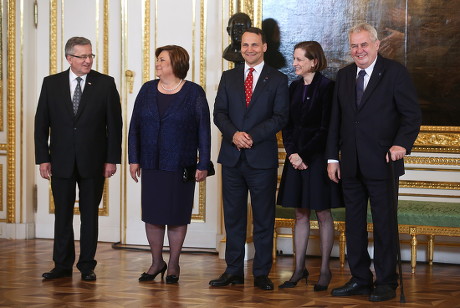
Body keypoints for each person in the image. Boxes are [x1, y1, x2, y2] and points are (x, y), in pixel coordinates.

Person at [326, 23, 421, 302]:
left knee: (384, 224)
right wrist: (333, 158)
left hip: (383, 162)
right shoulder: (343, 76)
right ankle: (360, 279)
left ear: (377, 45)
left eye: (364, 44)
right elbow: (336, 121)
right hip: (351, 164)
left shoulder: (395, 73)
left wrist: (402, 143)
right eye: (354, 45)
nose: (359, 50)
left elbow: (411, 115)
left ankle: (386, 281)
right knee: (354, 223)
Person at [34, 37, 122, 281]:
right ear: (69, 58)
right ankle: (61, 265)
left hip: (93, 161)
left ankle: (86, 266)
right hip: (60, 161)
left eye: (90, 56)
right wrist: (43, 158)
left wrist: (111, 159)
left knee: (89, 215)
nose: (88, 61)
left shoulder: (105, 84)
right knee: (62, 214)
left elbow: (114, 126)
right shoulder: (51, 84)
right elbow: (41, 124)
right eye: (82, 56)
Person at [210, 27, 289, 291]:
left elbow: (280, 117)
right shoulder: (228, 76)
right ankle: (233, 270)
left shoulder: (278, 79)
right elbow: (219, 112)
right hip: (232, 157)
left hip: (261, 159)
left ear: (264, 47)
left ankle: (261, 273)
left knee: (263, 219)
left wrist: (251, 136)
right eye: (245, 45)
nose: (249, 50)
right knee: (232, 218)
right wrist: (234, 135)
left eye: (255, 45)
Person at [128, 45, 211, 284]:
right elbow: (135, 127)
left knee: (176, 216)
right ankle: (156, 262)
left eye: (162, 60)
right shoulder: (146, 90)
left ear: (176, 63)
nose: (157, 63)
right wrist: (134, 159)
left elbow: (204, 131)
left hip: (180, 164)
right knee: (153, 215)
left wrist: (203, 163)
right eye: (157, 59)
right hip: (151, 163)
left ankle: (173, 264)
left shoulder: (194, 92)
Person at [277, 41, 342, 291]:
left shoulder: (328, 88)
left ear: (313, 61)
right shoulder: (293, 87)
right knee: (300, 214)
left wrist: (303, 154)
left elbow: (326, 128)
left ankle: (325, 270)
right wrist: (292, 153)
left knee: (323, 213)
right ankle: (298, 269)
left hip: (317, 159)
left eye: (299, 59)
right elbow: (288, 124)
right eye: (294, 59)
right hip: (296, 159)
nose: (294, 63)